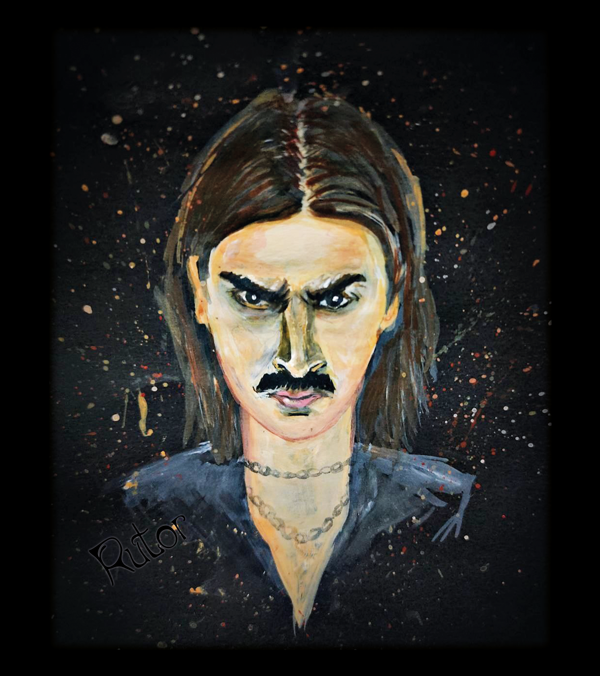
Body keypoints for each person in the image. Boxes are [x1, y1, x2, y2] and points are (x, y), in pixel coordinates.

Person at [120, 89, 475, 629]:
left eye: (335, 300)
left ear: (392, 296)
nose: (296, 356)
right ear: (200, 294)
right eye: (254, 298)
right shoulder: (141, 516)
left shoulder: (450, 513)